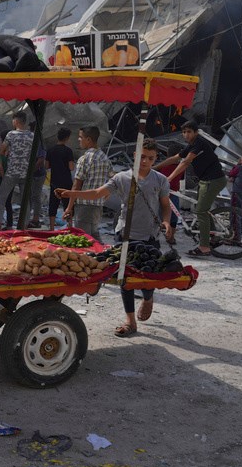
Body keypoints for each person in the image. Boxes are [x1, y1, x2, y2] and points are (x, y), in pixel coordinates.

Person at [56, 138, 173, 338]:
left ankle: (148, 297)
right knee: (125, 278)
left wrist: (167, 222)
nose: (145, 161)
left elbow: (165, 206)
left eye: (150, 158)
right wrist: (71, 194)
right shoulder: (122, 178)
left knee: (147, 275)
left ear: (155, 159)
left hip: (149, 235)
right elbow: (97, 193)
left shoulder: (160, 180)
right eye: (142, 157)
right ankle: (130, 321)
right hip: (124, 234)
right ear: (135, 156)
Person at [156, 120, 227, 257]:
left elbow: (185, 162)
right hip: (205, 181)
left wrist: (169, 178)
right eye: (184, 132)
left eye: (189, 132)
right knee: (203, 211)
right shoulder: (192, 144)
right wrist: (155, 167)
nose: (186, 135)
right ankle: (213, 236)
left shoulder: (199, 143)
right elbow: (175, 158)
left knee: (201, 212)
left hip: (212, 180)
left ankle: (204, 247)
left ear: (196, 132)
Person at [64, 125, 114, 241]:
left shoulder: (85, 159)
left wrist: (69, 207)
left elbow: (77, 185)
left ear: (88, 140)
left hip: (85, 205)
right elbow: (114, 178)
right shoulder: (104, 157)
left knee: (83, 238)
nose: (78, 140)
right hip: (98, 205)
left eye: (81, 137)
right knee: (93, 235)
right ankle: (103, 256)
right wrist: (107, 193)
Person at [0, 111, 34, 229]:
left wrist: (8, 151)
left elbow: (0, 150)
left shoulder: (11, 134)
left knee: (1, 199)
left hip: (11, 172)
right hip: (26, 172)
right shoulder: (31, 136)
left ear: (15, 121)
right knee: (25, 201)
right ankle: (24, 227)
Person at [46, 127, 76, 230]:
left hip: (54, 181)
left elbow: (47, 166)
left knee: (53, 204)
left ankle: (51, 228)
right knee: (68, 205)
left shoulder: (50, 150)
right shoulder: (68, 151)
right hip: (66, 182)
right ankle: (69, 226)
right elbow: (71, 167)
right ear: (67, 138)